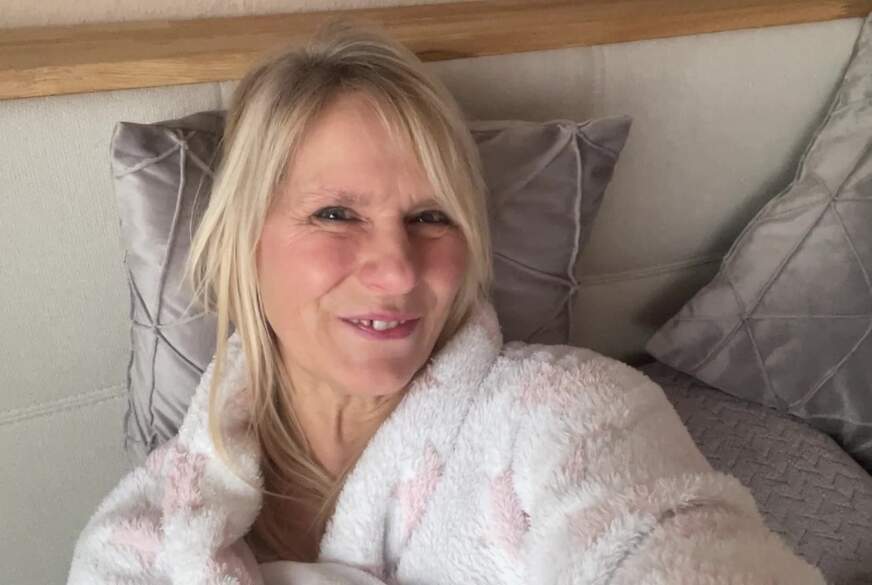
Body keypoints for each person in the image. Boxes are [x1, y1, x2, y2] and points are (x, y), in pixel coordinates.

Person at [68, 20, 824, 585]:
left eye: (431, 217)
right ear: (247, 242)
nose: (398, 271)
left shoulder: (569, 415)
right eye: (336, 213)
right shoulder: (141, 538)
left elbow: (669, 537)